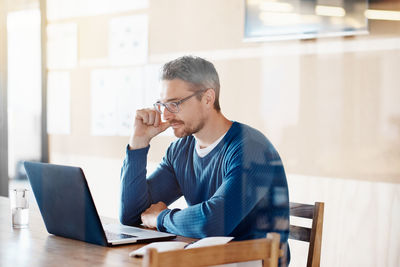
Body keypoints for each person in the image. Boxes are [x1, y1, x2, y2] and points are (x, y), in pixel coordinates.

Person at [120, 56, 290, 264]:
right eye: (162, 105)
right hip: (209, 258)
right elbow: (132, 216)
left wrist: (161, 218)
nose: (165, 115)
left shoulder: (251, 148)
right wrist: (138, 144)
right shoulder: (180, 150)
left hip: (253, 260)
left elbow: (215, 223)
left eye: (174, 104)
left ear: (208, 98)